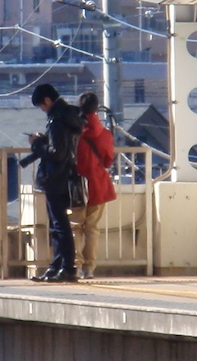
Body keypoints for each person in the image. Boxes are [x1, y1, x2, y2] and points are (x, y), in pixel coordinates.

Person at [28, 84, 85, 283]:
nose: (42, 110)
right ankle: (57, 266)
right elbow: (63, 147)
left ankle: (67, 267)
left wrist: (37, 144)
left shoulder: (56, 119)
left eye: (41, 106)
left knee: (59, 225)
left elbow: (56, 152)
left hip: (54, 178)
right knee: (58, 224)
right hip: (66, 175)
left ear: (47, 100)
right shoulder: (70, 116)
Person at [69, 92, 116, 279]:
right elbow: (108, 160)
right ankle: (90, 268)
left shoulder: (73, 130)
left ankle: (76, 266)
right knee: (92, 228)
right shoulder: (105, 134)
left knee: (75, 227)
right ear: (97, 109)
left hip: (76, 185)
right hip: (97, 185)